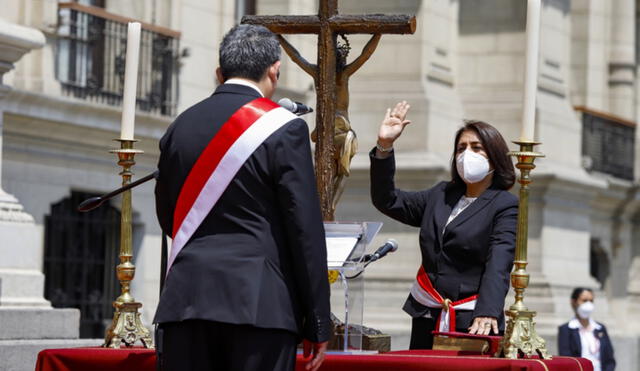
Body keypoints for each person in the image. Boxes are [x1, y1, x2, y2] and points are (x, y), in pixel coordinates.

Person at [153, 24, 331, 371]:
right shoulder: (286, 127)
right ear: (274, 71)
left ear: (219, 73)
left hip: (186, 302)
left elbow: (168, 216)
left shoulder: (181, 126)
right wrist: (318, 320)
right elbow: (304, 230)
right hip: (260, 306)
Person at [370, 101, 518, 349]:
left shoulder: (504, 204)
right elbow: (388, 200)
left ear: (494, 156)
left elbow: (499, 262)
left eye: (476, 148)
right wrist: (385, 146)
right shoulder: (440, 195)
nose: (466, 154)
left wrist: (489, 311)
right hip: (427, 312)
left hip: (473, 319)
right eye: (461, 148)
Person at [558, 288, 616, 371]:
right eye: (584, 300)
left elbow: (609, 358)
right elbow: (566, 359)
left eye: (591, 301)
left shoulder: (600, 328)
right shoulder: (566, 329)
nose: (588, 304)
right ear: (574, 302)